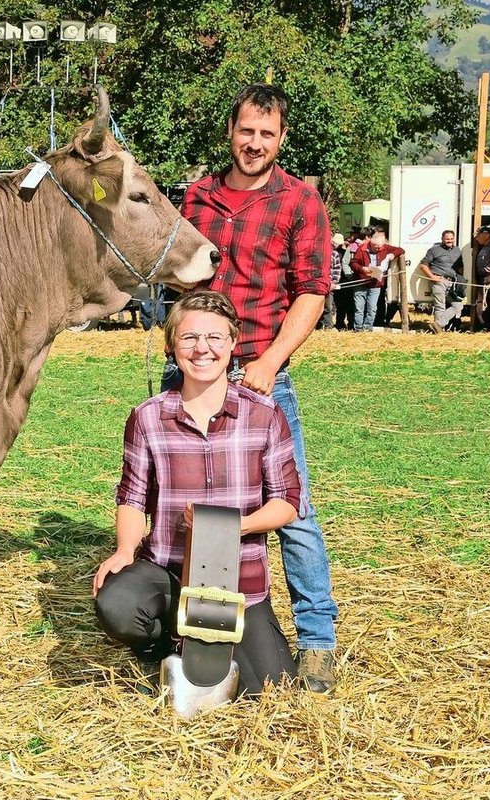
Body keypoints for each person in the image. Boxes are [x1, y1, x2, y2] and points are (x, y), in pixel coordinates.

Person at [178, 83, 339, 692]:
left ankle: (318, 638)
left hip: (263, 373)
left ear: (282, 139)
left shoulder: (300, 200)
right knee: (194, 503)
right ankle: (199, 633)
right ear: (231, 130)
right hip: (196, 368)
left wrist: (269, 364)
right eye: (247, 131)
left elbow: (313, 293)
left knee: (292, 509)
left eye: (267, 134)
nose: (255, 143)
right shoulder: (197, 198)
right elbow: (180, 285)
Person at [94, 291, 301, 698]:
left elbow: (287, 502)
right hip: (170, 574)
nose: (202, 349)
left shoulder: (265, 415)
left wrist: (233, 527)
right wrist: (122, 551)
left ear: (232, 345)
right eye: (189, 339)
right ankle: (162, 644)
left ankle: (227, 643)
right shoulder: (148, 417)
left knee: (272, 692)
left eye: (214, 338)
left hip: (240, 582)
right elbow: (133, 497)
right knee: (118, 603)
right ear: (172, 345)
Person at [350, 228, 404, 332]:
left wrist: (393, 254)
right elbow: (353, 263)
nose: (379, 249)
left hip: (375, 284)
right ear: (371, 243)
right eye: (376, 247)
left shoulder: (384, 247)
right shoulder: (362, 249)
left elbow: (401, 250)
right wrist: (362, 269)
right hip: (361, 282)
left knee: (372, 308)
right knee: (359, 308)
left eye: (380, 247)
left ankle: (368, 328)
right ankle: (358, 329)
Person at [418, 230, 464, 332]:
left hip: (453, 283)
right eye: (447, 239)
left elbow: (460, 266)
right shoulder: (434, 250)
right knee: (440, 307)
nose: (449, 241)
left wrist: (460, 279)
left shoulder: (457, 250)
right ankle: (439, 330)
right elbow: (423, 265)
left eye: (451, 239)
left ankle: (438, 325)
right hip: (439, 281)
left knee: (458, 305)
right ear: (442, 239)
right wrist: (431, 276)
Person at [320, 233, 345, 329]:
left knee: (328, 306)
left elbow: (337, 269)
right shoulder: (318, 252)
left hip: (330, 284)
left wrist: (334, 282)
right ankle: (317, 325)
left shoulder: (334, 254)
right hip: (318, 283)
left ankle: (328, 325)